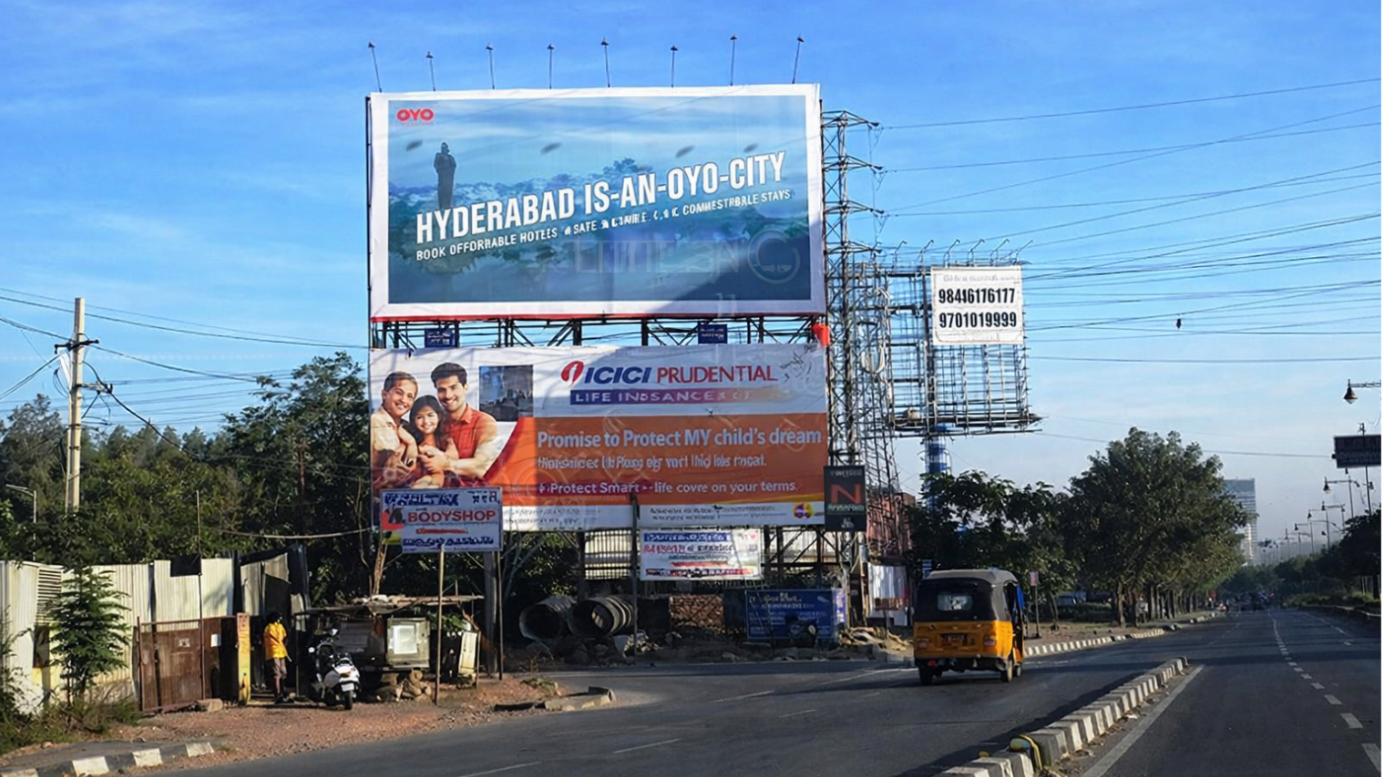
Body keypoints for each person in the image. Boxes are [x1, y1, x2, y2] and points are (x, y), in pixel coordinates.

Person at [420, 363, 500, 481]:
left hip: (471, 496)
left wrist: (445, 464)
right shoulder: (433, 422)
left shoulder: (483, 422)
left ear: (465, 387)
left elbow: (483, 466)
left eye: (453, 388)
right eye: (442, 390)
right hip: (436, 495)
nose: (448, 395)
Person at [371, 371, 419, 490]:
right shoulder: (376, 421)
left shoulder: (406, 427)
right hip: (379, 495)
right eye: (399, 393)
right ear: (384, 394)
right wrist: (408, 444)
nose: (404, 400)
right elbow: (388, 457)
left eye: (410, 396)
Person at [405, 395, 459, 488]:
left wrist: (437, 455)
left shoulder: (445, 440)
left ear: (438, 416)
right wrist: (411, 444)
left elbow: (454, 460)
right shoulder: (413, 443)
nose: (426, 421)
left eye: (430, 415)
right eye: (419, 417)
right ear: (414, 420)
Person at [263, 612, 289, 703]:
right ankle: (278, 694)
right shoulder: (270, 627)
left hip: (279, 652)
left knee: (281, 674)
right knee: (277, 674)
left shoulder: (271, 627)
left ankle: (282, 693)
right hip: (274, 652)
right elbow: (285, 638)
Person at [434, 142, 457, 210]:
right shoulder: (438, 156)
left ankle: (448, 205)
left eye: (444, 148)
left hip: (449, 178)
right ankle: (441, 206)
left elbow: (454, 166)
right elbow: (436, 165)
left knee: (448, 192)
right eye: (442, 148)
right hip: (442, 177)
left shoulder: (450, 157)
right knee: (442, 192)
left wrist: (450, 172)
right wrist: (441, 170)